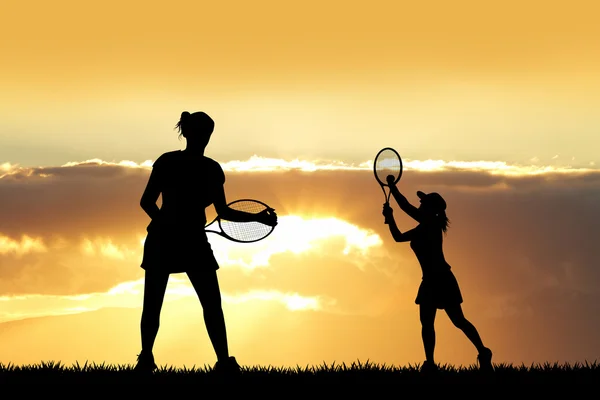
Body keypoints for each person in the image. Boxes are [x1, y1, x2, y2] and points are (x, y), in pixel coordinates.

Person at [135, 111, 278, 374]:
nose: (205, 138)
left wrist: (259, 218)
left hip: (184, 239)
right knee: (156, 303)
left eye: (208, 133)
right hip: (169, 239)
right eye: (203, 132)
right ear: (190, 133)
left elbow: (223, 211)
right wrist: (169, 226)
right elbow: (146, 201)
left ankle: (222, 361)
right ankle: (147, 358)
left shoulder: (206, 168)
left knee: (209, 303)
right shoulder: (181, 164)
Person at [381, 175, 493, 373]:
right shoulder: (423, 227)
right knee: (427, 323)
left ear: (432, 209)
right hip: (430, 280)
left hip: (442, 279)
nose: (420, 204)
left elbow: (406, 207)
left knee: (458, 321)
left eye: (423, 203)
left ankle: (483, 352)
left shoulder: (431, 224)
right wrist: (389, 218)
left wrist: (393, 187)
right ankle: (430, 363)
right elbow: (398, 237)